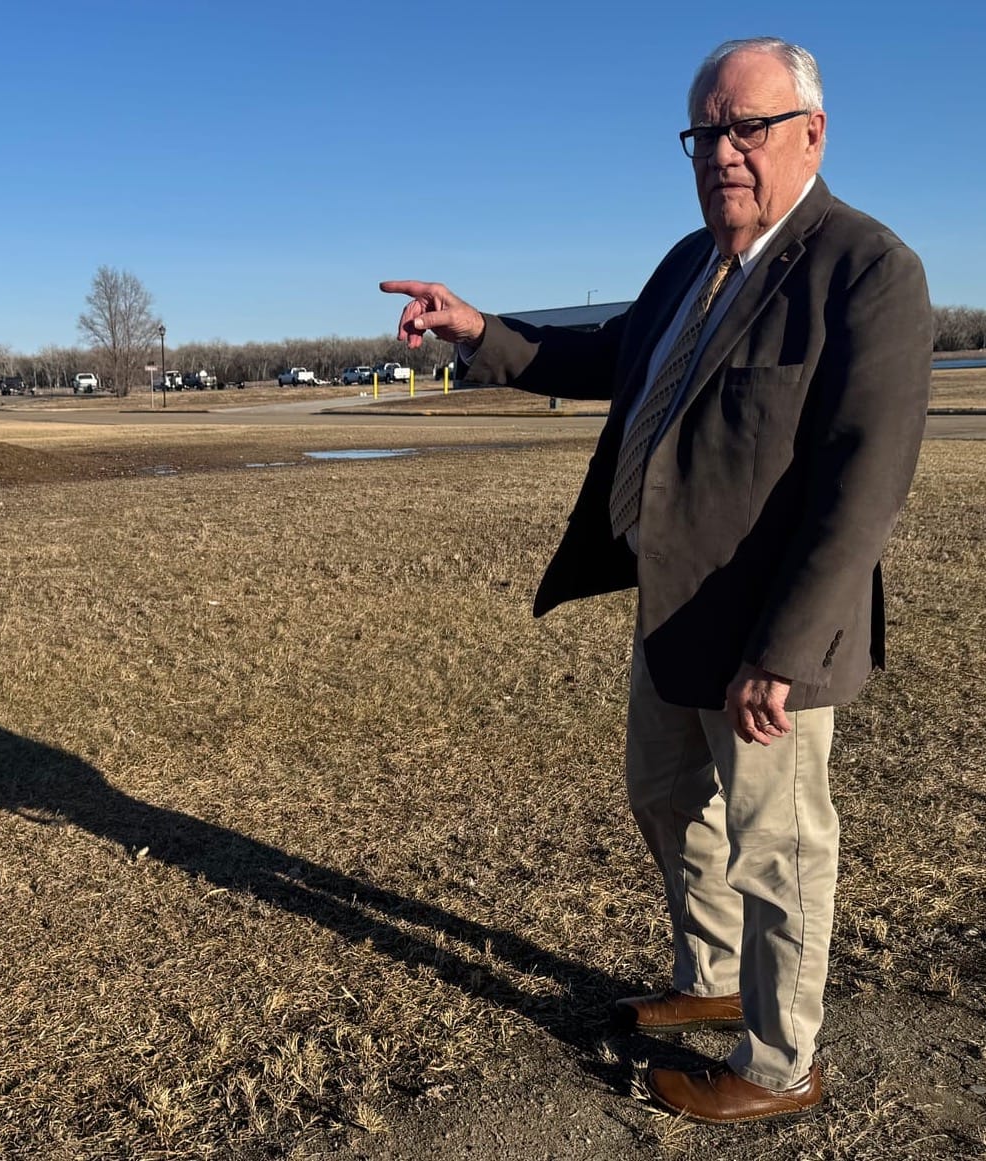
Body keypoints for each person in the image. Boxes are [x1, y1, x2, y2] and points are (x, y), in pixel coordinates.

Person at [382, 37, 932, 1124]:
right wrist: (477, 330)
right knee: (666, 797)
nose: (723, 152)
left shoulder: (867, 270)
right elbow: (609, 357)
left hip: (772, 632)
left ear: (809, 134)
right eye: (705, 132)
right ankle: (714, 977)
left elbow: (862, 484)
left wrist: (786, 650)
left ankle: (780, 1064)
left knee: (780, 845)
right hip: (670, 603)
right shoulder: (691, 263)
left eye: (748, 127)